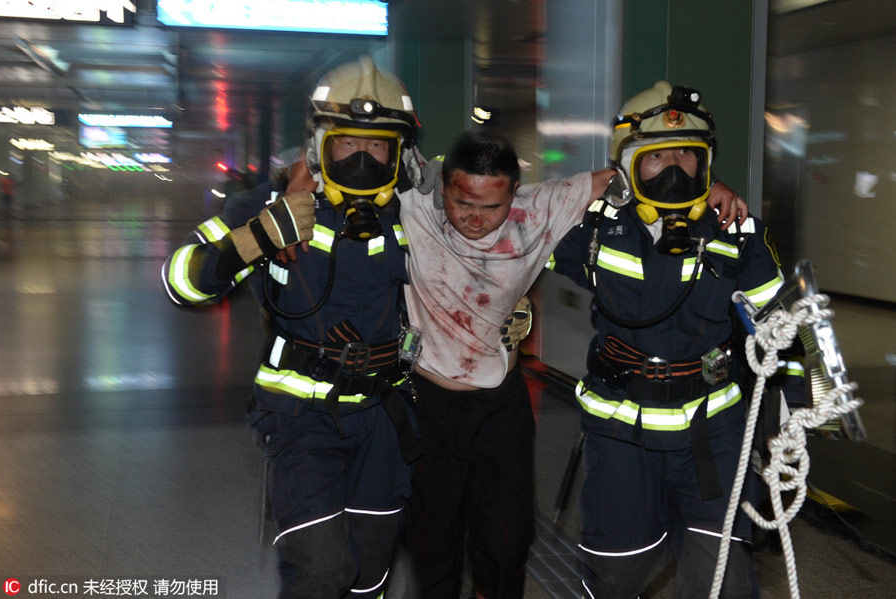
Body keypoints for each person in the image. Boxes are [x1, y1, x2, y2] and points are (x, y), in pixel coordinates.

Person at [288, 124, 747, 597]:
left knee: (507, 545)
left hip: (500, 405)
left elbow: (634, 171)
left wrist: (710, 184)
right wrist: (294, 185)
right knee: (432, 546)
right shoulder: (412, 204)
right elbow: (336, 165)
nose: (474, 219)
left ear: (515, 197)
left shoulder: (542, 208)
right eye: (462, 203)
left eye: (491, 208)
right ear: (441, 185)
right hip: (425, 401)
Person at [161, 56, 425, 599]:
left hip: (384, 416)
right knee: (320, 572)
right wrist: (256, 236)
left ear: (400, 154)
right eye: (347, 143)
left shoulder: (416, 212)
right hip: (300, 416)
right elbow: (181, 280)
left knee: (371, 571)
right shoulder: (266, 204)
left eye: (378, 146)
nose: (362, 158)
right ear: (319, 146)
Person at [549, 81, 802, 598]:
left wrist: (797, 414)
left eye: (687, 154)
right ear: (629, 162)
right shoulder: (593, 228)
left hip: (713, 433)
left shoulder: (736, 230)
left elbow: (781, 327)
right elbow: (514, 232)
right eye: (657, 155)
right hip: (622, 430)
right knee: (616, 572)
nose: (673, 168)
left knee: (724, 580)